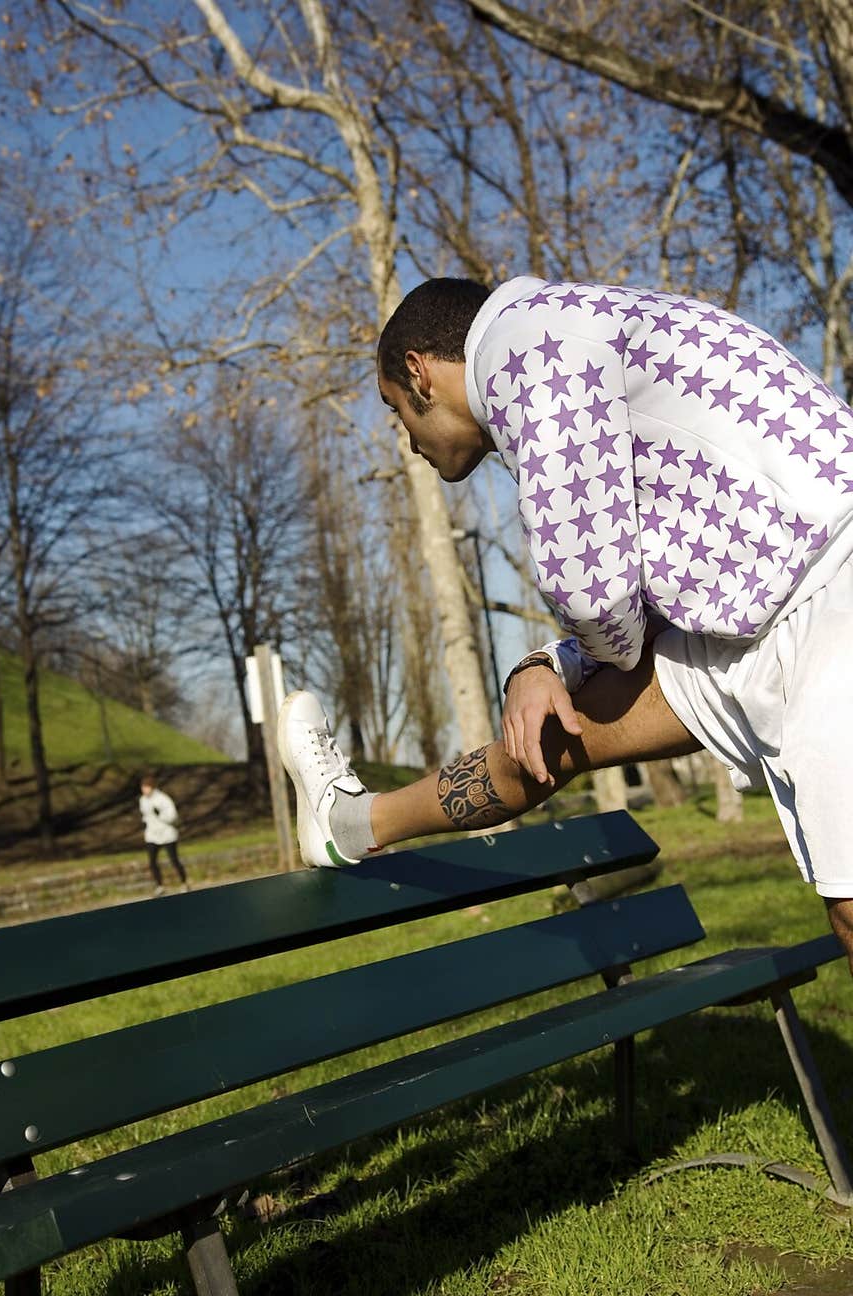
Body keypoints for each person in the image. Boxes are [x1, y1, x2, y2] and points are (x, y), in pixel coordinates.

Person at [277, 273, 853, 977]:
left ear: (419, 373)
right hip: (758, 614)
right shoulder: (579, 323)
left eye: (397, 412)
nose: (407, 443)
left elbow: (591, 592)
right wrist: (550, 668)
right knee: (551, 734)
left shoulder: (528, 344)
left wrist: (557, 659)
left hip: (831, 589)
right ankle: (348, 822)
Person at [138, 774, 189, 894]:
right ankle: (160, 885)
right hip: (152, 835)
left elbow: (173, 816)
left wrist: (160, 814)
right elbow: (145, 815)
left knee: (174, 860)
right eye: (143, 787)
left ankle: (184, 883)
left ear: (152, 787)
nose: (144, 790)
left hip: (167, 834)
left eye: (146, 787)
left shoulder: (163, 799)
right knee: (152, 861)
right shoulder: (142, 800)